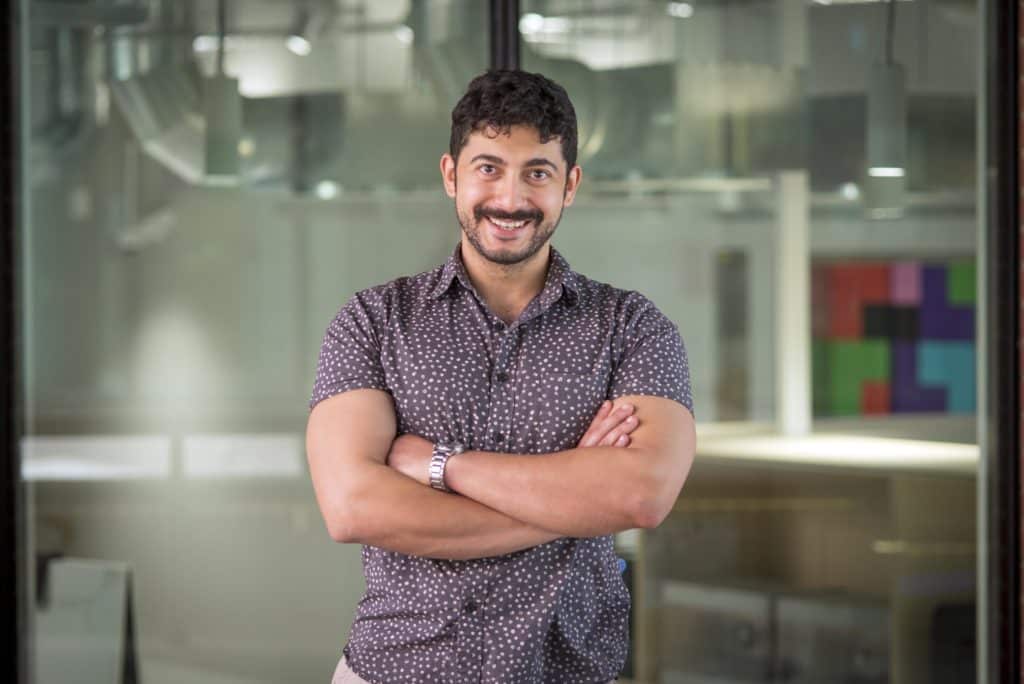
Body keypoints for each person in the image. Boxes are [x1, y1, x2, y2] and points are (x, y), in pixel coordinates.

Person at [306, 69, 696, 684]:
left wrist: (441, 465)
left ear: (569, 185)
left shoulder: (634, 328)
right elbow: (352, 508)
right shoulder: (372, 323)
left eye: (536, 173)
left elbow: (640, 497)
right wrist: (574, 501)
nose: (510, 199)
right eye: (489, 168)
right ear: (450, 175)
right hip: (395, 670)